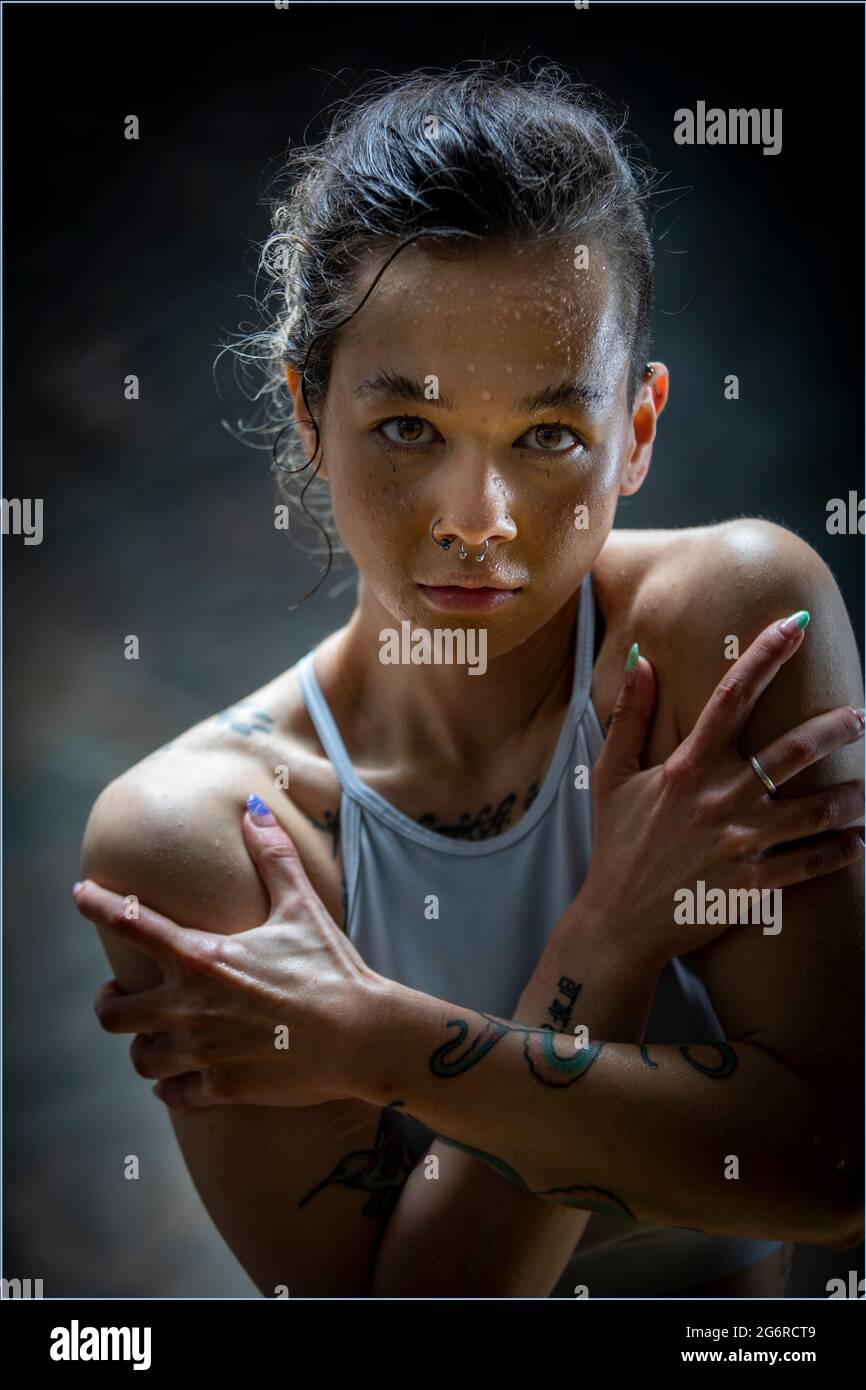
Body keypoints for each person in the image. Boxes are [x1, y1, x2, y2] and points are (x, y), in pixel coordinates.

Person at [75, 63, 864, 1299]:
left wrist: (376, 1039)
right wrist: (607, 939)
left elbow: (828, 1168)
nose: (476, 523)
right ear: (305, 413)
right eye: (408, 430)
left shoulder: (729, 625)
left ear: (639, 430)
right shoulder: (212, 840)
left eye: (547, 436)